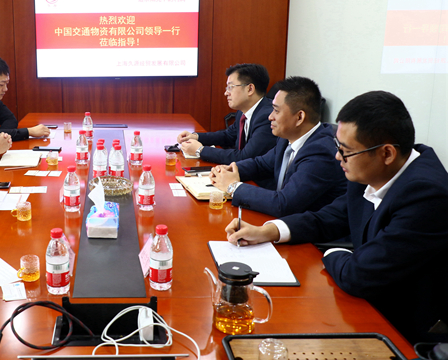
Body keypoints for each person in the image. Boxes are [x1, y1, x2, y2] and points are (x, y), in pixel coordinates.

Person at [225, 91, 448, 343]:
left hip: (405, 328)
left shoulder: (427, 195)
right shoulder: (372, 168)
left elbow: (360, 274)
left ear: (387, 154)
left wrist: (330, 253)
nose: (337, 157)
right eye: (337, 147)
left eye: (346, 151)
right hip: (367, 303)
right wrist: (269, 231)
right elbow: (330, 217)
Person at [210, 77, 346, 217]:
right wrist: (230, 170)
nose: (270, 117)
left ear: (299, 117)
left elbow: (284, 204)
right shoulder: (287, 137)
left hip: (305, 228)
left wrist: (233, 187)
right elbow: (261, 164)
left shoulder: (321, 153)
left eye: (276, 110)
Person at [178, 63, 277, 170]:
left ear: (250, 89)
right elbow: (228, 136)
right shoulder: (243, 112)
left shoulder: (267, 117)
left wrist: (200, 150)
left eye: (230, 87)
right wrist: (196, 137)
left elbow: (244, 157)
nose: (226, 93)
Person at [0, 55, 49, 140]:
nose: (5, 89)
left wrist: (1, 136)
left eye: (6, 84)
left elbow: (11, 120)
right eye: (1, 84)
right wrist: (28, 131)